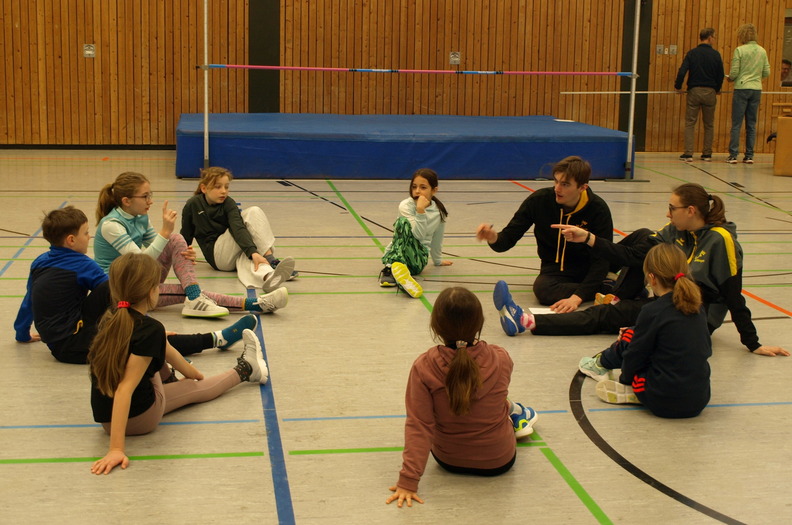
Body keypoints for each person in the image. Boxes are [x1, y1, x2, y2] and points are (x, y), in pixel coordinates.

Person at [494, 183, 789, 357]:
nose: (667, 213)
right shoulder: (677, 231)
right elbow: (634, 255)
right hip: (667, 299)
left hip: (692, 314)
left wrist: (753, 343)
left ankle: (527, 322)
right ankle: (615, 293)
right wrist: (590, 239)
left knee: (604, 316)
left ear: (691, 211)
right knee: (643, 239)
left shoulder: (721, 240)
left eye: (672, 208)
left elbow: (733, 295)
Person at [89, 253, 269, 475]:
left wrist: (187, 368)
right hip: (138, 419)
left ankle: (174, 381)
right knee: (192, 386)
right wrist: (116, 449)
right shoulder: (150, 330)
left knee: (158, 344)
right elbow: (124, 390)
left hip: (107, 420)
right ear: (151, 291)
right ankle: (247, 369)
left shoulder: (111, 319)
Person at [13, 206, 257, 364]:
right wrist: (146, 328)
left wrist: (22, 332)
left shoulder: (40, 261)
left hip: (71, 327)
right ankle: (215, 339)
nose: (89, 237)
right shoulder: (82, 264)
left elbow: (28, 300)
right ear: (71, 240)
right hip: (72, 345)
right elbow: (123, 296)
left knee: (109, 287)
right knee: (143, 339)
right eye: (86, 233)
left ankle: (147, 330)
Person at [386, 287, 538, 508]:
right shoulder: (501, 358)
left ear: (435, 326)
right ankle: (518, 414)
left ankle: (514, 411)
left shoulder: (424, 366)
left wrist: (408, 482)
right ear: (480, 323)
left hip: (449, 460)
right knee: (497, 401)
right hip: (499, 460)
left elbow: (419, 425)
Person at [94, 172, 287, 317]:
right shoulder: (112, 225)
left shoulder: (139, 217)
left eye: (150, 195)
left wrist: (182, 253)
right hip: (120, 290)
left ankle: (194, 298)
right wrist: (164, 232)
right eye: (145, 196)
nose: (150, 201)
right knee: (184, 290)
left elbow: (161, 247)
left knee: (176, 239)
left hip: (137, 278)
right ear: (126, 201)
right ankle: (254, 304)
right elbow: (140, 262)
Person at [578, 243, 712, 418]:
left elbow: (635, 354)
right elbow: (705, 348)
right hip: (699, 399)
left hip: (662, 400)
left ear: (652, 278)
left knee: (630, 336)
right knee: (645, 335)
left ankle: (601, 365)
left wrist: (625, 380)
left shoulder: (652, 311)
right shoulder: (697, 305)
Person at [476, 156, 613, 317]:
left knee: (634, 243)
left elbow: (603, 258)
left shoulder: (598, 209)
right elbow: (507, 240)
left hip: (590, 267)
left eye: (565, 184)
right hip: (554, 270)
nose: (557, 188)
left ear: (582, 187)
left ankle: (604, 283)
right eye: (556, 181)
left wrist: (577, 297)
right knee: (544, 290)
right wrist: (493, 237)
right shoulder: (539, 200)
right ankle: (609, 287)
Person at [181, 166, 296, 291]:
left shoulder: (228, 203)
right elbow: (186, 235)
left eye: (226, 187)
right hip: (217, 256)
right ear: (204, 188)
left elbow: (238, 228)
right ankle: (271, 259)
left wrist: (253, 253)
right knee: (252, 212)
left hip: (232, 253)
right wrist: (180, 255)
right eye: (218, 187)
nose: (223, 191)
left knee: (251, 258)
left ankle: (268, 276)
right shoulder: (193, 204)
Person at [378, 168, 453, 298]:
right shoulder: (405, 206)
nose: (417, 191)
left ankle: (398, 274)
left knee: (403, 223)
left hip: (417, 260)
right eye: (414, 187)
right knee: (402, 223)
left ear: (434, 190)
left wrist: (438, 260)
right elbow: (408, 235)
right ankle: (393, 270)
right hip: (398, 253)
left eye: (423, 187)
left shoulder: (439, 212)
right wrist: (420, 211)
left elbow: (433, 238)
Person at [674, 28, 724, 162]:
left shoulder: (692, 53)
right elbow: (720, 75)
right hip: (710, 92)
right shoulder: (716, 55)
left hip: (694, 91)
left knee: (690, 123)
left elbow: (682, 71)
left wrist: (678, 86)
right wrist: (717, 89)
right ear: (710, 38)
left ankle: (688, 153)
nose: (714, 40)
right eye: (714, 37)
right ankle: (707, 153)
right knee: (709, 124)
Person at [726, 24, 770, 164]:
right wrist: (756, 78)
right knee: (751, 124)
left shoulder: (740, 50)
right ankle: (749, 155)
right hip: (756, 89)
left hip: (741, 88)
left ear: (742, 36)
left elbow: (734, 72)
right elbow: (767, 72)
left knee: (736, 123)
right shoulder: (762, 51)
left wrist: (730, 79)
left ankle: (733, 155)